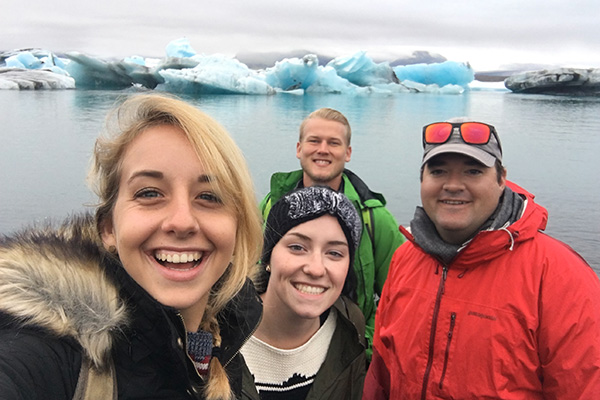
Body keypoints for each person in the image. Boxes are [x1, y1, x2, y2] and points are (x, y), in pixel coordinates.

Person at [0, 94, 264, 400]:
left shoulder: (224, 345)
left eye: (209, 196)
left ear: (236, 227)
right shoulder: (46, 354)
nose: (182, 221)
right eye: (150, 193)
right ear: (108, 228)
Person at [364, 118, 600, 399]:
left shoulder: (560, 276)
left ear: (501, 179)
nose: (452, 185)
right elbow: (381, 373)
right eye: (438, 171)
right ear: (422, 180)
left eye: (473, 171)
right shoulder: (405, 258)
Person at [259, 108, 404, 359]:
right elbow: (255, 273)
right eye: (314, 140)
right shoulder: (273, 204)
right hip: (279, 346)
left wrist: (366, 344)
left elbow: (402, 295)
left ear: (347, 153)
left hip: (351, 354)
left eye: (333, 143)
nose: (322, 149)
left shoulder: (374, 218)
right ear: (299, 148)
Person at [241, 186, 367, 399]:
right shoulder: (215, 333)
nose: (316, 269)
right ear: (269, 257)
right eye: (298, 247)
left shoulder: (350, 327)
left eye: (334, 253)